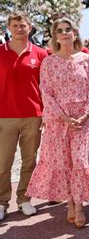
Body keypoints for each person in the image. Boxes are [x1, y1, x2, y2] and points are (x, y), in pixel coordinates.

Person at [26, 18, 89, 228]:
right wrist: (64, 117)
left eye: (69, 29)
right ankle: (70, 202)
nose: (65, 33)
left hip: (82, 120)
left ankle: (79, 206)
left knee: (79, 161)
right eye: (60, 30)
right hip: (59, 121)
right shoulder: (48, 62)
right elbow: (46, 93)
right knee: (65, 163)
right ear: (55, 36)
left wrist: (85, 116)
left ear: (75, 34)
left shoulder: (85, 59)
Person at [0, 12, 48, 221]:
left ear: (30, 28)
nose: (20, 28)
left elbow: (46, 87)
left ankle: (24, 199)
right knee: (3, 163)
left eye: (23, 25)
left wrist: (46, 113)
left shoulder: (40, 54)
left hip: (33, 115)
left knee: (29, 161)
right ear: (9, 28)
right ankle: (1, 202)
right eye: (15, 25)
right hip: (4, 116)